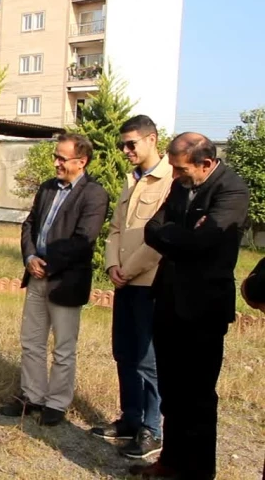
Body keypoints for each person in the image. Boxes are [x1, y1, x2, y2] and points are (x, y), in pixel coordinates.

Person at [134, 132, 250, 480]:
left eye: (181, 169)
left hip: (203, 309)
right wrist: (182, 235)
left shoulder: (232, 191)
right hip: (168, 300)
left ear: (207, 163)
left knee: (197, 397)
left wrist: (177, 235)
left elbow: (205, 241)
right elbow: (151, 229)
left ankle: (197, 472)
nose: (176, 176)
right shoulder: (182, 183)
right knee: (172, 392)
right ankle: (170, 464)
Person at [0, 133, 108, 426]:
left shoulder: (94, 194)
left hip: (66, 282)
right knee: (31, 341)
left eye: (62, 158)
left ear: (81, 161)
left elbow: (84, 239)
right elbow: (30, 224)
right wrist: (30, 257)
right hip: (36, 276)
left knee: (63, 347)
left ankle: (57, 403)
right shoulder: (47, 188)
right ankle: (32, 396)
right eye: (55, 156)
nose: (56, 162)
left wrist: (50, 264)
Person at [91, 115, 172, 458]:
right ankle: (130, 418)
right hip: (123, 280)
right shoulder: (132, 180)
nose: (125, 150)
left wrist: (129, 268)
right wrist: (112, 265)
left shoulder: (169, 180)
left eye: (131, 144)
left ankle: (152, 429)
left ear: (152, 139)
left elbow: (161, 238)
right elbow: (115, 230)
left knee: (148, 358)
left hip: (149, 282)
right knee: (123, 352)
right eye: (122, 144)